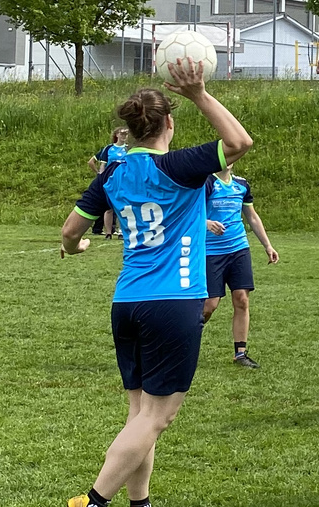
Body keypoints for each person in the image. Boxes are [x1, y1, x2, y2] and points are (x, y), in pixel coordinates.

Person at [61, 58, 252, 507]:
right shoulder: (181, 166)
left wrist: (76, 250)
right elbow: (239, 141)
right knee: (156, 419)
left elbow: (70, 232)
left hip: (127, 300)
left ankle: (139, 502)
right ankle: (93, 502)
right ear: (169, 122)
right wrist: (200, 93)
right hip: (173, 302)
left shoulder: (112, 172)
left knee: (139, 414)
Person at [202, 160, 278, 368]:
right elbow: (189, 213)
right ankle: (184, 341)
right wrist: (206, 223)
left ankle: (241, 353)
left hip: (238, 250)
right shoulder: (206, 182)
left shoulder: (241, 185)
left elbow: (252, 217)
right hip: (211, 252)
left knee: (242, 299)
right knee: (209, 305)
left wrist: (268, 246)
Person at [87, 128, 130, 238]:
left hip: (124, 180)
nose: (124, 136)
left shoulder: (129, 149)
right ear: (117, 135)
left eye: (126, 134)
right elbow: (103, 166)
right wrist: (101, 177)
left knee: (123, 206)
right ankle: (108, 232)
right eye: (122, 133)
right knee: (108, 207)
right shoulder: (109, 149)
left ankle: (121, 231)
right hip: (111, 180)